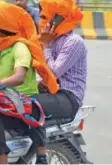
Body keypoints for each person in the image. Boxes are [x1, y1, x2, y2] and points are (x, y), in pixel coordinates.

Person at [0, 1, 60, 164]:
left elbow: (19, 77)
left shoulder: (19, 47)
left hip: (24, 100)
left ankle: (4, 160)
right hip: (3, 101)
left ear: (2, 27)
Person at [34, 0, 87, 154]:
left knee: (26, 106)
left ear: (56, 19)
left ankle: (40, 155)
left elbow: (54, 72)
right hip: (50, 92)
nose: (41, 21)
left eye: (45, 17)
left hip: (67, 98)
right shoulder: (49, 40)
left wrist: (46, 46)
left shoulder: (73, 42)